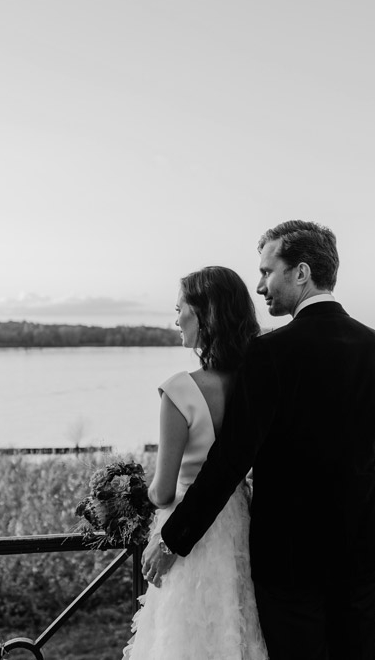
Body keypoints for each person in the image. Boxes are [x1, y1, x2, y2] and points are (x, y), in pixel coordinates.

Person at [143, 220, 375, 659]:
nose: (261, 286)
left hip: (291, 552)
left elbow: (230, 460)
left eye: (267, 271)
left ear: (301, 273)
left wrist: (173, 538)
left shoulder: (270, 353)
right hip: (360, 542)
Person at [123, 266, 268, 660]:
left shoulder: (179, 390)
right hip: (238, 524)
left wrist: (134, 492)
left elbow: (164, 490)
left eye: (179, 308)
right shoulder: (253, 383)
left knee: (185, 637)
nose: (176, 319)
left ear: (205, 315)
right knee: (233, 624)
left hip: (186, 531)